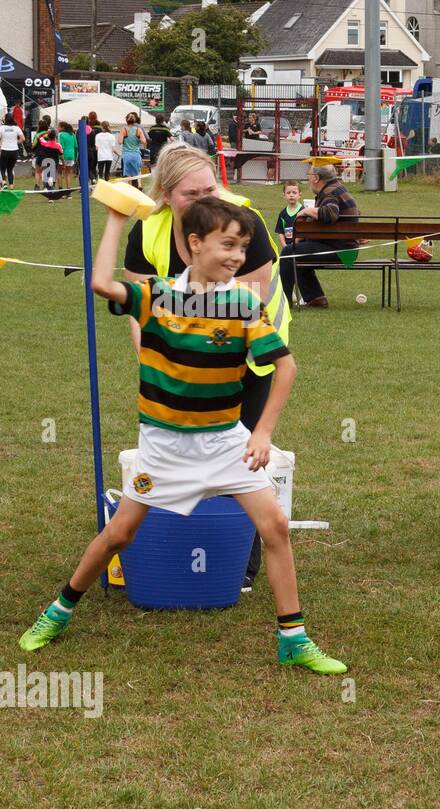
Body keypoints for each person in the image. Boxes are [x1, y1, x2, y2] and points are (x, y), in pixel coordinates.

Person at [18, 197, 346, 676]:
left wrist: (262, 432)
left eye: (243, 246)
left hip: (225, 443)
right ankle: (58, 612)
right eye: (227, 245)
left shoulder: (243, 303)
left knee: (274, 527)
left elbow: (286, 366)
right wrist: (114, 220)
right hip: (164, 448)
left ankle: (292, 638)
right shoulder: (157, 295)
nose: (237, 256)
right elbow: (101, 284)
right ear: (195, 244)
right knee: (120, 534)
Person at [123, 144, 294, 590]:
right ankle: (181, 542)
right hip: (182, 358)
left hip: (249, 353)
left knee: (244, 455)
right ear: (164, 194)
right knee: (178, 448)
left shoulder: (243, 222)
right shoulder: (148, 230)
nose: (201, 200)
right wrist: (153, 362)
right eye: (189, 194)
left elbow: (250, 298)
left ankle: (243, 564)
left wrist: (215, 364)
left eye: (208, 189)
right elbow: (138, 309)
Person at [279, 163, 359, 308]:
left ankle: (285, 301)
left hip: (340, 252)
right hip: (346, 249)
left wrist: (308, 211)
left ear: (316, 178)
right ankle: (316, 298)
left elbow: (330, 213)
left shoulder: (330, 193)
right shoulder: (338, 189)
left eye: (309, 176)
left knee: (288, 252)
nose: (308, 180)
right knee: (300, 250)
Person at [274, 181, 304, 250]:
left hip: (300, 246)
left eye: (294, 192)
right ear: (284, 195)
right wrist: (284, 245)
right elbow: (280, 231)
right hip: (287, 247)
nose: (291, 195)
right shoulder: (282, 213)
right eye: (288, 193)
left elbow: (304, 231)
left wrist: (295, 242)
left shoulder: (303, 211)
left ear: (299, 195)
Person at [118, 112, 145, 187]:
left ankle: (127, 189)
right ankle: (139, 186)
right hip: (136, 154)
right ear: (135, 120)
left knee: (127, 174)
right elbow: (144, 141)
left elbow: (119, 142)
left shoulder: (124, 129)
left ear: (126, 120)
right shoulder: (138, 130)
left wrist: (125, 138)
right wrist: (138, 139)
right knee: (137, 173)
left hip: (127, 155)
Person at [0, 112, 24, 188]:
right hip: (14, 151)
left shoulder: (2, 128)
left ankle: (4, 182)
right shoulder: (16, 128)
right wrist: (15, 142)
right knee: (10, 169)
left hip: (5, 150)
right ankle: (11, 186)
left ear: (5, 119)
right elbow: (23, 139)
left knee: (2, 168)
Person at [56, 121, 77, 189]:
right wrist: (75, 157)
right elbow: (76, 146)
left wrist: (59, 156)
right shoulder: (72, 134)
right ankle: (68, 191)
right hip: (71, 156)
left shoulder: (60, 134)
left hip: (63, 156)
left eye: (58, 126)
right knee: (68, 173)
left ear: (62, 128)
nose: (57, 128)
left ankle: (60, 189)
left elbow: (60, 146)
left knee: (59, 172)